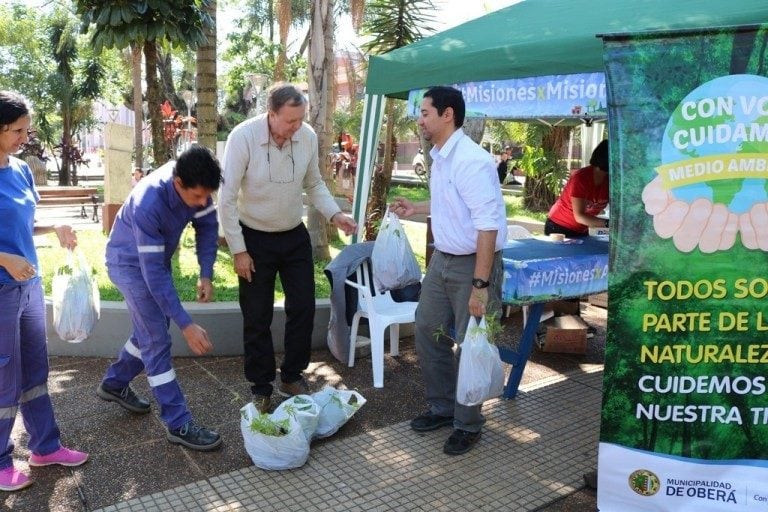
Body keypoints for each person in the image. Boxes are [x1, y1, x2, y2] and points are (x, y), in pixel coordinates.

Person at [219, 83, 357, 414]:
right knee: (257, 315)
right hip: (254, 238)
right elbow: (226, 196)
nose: (296, 127)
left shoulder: (306, 137)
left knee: (304, 307)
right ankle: (261, 386)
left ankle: (292, 374)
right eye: (290, 121)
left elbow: (314, 183)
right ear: (271, 114)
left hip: (293, 235)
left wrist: (335, 214)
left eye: (300, 120)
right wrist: (238, 250)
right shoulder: (244, 136)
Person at [390, 86, 507, 456]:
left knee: (473, 341)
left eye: (424, 113)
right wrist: (417, 207)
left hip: (474, 263)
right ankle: (443, 408)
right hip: (443, 258)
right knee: (427, 328)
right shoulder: (441, 156)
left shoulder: (471, 161)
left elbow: (487, 225)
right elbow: (449, 205)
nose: (419, 119)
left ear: (448, 115)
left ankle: (468, 422)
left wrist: (480, 284)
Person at [95, 145, 223, 452]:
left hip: (155, 259)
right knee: (156, 338)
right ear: (178, 184)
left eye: (208, 196)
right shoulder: (149, 201)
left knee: (150, 330)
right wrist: (186, 324)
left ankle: (114, 384)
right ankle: (178, 423)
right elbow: (152, 275)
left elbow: (207, 228)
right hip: (128, 263)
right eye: (196, 197)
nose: (202, 202)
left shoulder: (199, 183)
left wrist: (206, 273)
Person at [0, 91, 88, 492]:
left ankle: (45, 446)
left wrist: (53, 229)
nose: (25, 136)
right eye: (17, 130)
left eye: (26, 128)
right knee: (3, 376)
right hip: (2, 289)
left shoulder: (18, 170)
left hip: (29, 286)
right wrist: (4, 259)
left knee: (35, 371)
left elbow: (23, 225)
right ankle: (1, 462)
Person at [545, 139, 609, 238]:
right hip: (558, 227)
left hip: (581, 229)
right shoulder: (581, 178)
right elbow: (580, 216)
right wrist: (609, 224)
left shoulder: (610, 180)